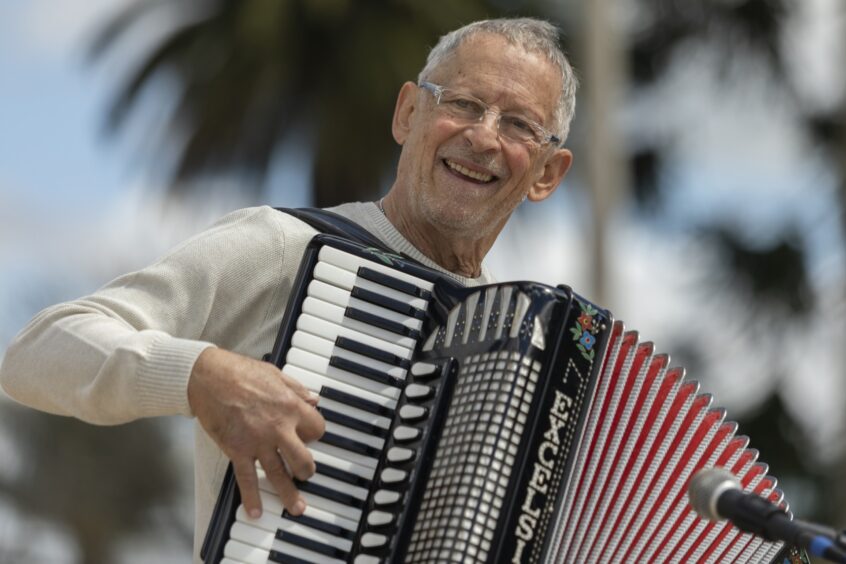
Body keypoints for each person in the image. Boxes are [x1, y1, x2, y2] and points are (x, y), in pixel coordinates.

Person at [0, 17, 577, 560]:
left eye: (519, 124)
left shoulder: (530, 356)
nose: (483, 135)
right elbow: (39, 350)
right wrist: (200, 376)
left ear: (547, 174)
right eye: (463, 104)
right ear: (407, 113)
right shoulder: (282, 246)